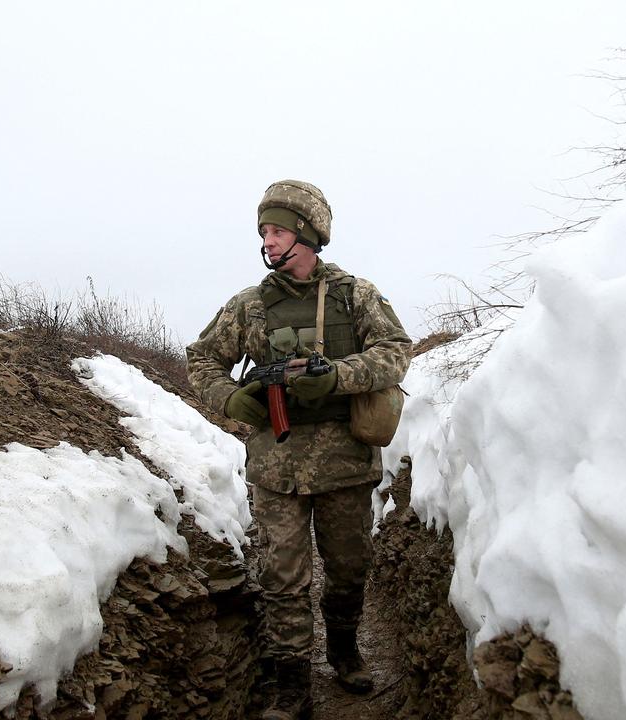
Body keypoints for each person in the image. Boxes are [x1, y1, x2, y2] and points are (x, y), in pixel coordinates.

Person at [186, 179, 411, 720]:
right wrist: (233, 399)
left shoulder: (354, 295)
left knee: (349, 568)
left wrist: (336, 377)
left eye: (278, 229)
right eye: (263, 229)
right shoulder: (248, 307)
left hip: (345, 465)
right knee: (282, 576)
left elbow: (395, 352)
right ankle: (291, 682)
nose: (268, 239)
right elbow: (200, 360)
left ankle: (344, 648)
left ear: (307, 234)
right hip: (276, 466)